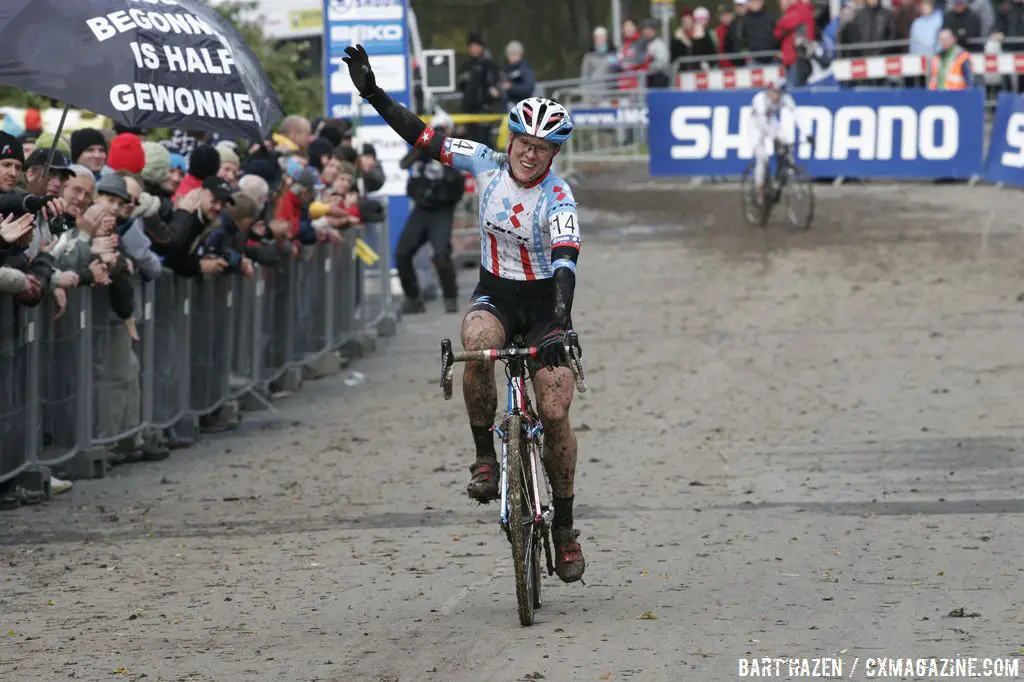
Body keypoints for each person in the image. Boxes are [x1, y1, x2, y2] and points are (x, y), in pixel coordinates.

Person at [343, 44, 587, 583]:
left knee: (554, 408)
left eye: (541, 149)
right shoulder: (484, 162)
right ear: (511, 140)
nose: (529, 155)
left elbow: (567, 262)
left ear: (553, 155)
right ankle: (485, 459)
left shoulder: (559, 197)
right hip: (496, 293)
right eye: (524, 144)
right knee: (476, 344)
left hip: (548, 304)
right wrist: (373, 93)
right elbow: (422, 136)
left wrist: (561, 323)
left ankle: (565, 528)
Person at [395, 112, 466, 315]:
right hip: (421, 208)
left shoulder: (454, 151)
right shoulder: (421, 150)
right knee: (402, 252)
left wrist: (441, 148)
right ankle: (413, 297)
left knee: (441, 254)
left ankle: (450, 297)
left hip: (442, 210)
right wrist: (423, 147)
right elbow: (404, 164)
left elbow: (456, 180)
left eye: (442, 130)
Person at [748, 79, 797, 205]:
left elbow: (797, 113)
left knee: (785, 143)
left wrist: (807, 134)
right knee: (763, 158)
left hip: (771, 122)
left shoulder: (784, 97)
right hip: (756, 127)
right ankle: (759, 190)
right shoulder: (760, 99)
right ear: (769, 91)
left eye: (779, 93)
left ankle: (777, 180)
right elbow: (763, 124)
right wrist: (774, 136)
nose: (777, 96)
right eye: (775, 92)